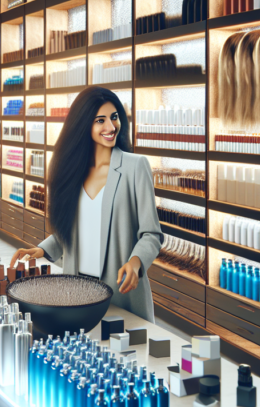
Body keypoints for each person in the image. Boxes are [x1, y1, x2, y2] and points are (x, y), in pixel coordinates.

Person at [9, 87, 162, 321]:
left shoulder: (135, 167)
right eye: (100, 120)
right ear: (83, 124)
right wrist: (42, 249)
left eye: (114, 117)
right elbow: (75, 227)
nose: (110, 127)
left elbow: (151, 233)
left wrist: (135, 262)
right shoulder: (74, 171)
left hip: (120, 295)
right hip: (77, 292)